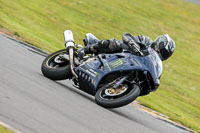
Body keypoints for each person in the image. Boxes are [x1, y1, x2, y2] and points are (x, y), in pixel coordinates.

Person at [78, 33, 175, 62]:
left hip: (126, 64)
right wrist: (133, 44)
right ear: (160, 43)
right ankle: (85, 50)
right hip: (122, 52)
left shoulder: (154, 61)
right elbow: (127, 36)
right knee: (115, 44)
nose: (164, 54)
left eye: (166, 54)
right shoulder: (147, 41)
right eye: (164, 51)